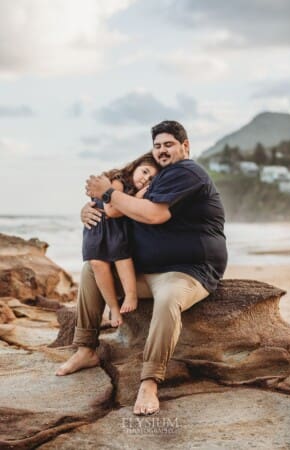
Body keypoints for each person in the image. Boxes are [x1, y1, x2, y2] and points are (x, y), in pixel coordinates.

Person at [56, 120, 227, 417]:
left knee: (169, 297)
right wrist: (89, 209)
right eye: (157, 145)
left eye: (169, 144)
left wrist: (108, 192)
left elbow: (154, 214)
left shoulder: (187, 172)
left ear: (185, 147)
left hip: (188, 270)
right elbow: (120, 211)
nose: (162, 151)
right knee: (90, 271)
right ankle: (86, 349)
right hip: (146, 271)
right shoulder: (157, 180)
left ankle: (149, 380)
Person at [82, 152, 160, 327]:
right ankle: (114, 308)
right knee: (97, 264)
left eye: (151, 178)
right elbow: (111, 210)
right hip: (99, 227)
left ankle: (130, 294)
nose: (146, 179)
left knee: (122, 259)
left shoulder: (139, 189)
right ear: (135, 166)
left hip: (116, 229)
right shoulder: (119, 181)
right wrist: (138, 197)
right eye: (145, 172)